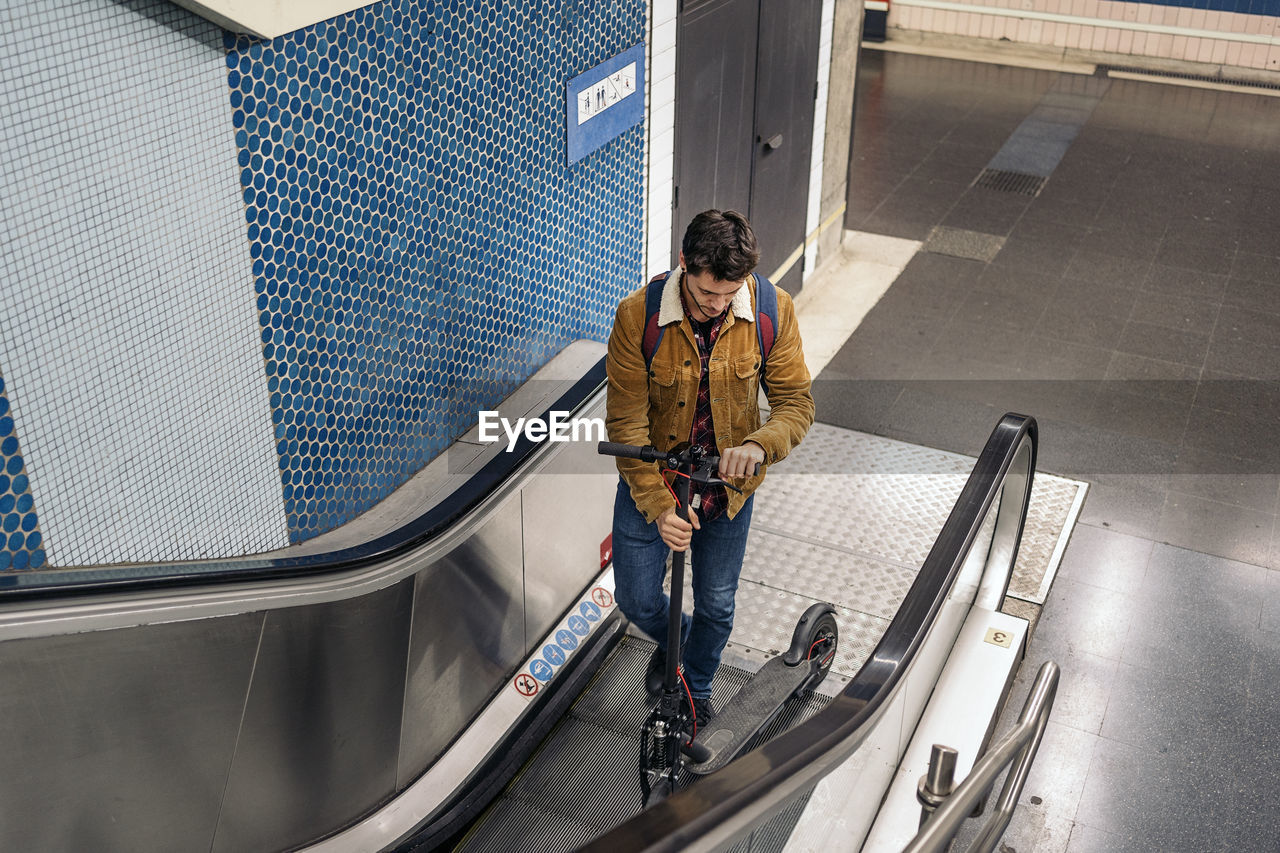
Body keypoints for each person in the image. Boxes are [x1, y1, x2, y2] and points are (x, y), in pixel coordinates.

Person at [605, 209, 814, 725]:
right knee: (635, 599)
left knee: (718, 605)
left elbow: (796, 403)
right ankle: (683, 647)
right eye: (705, 296)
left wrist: (761, 445)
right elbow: (627, 428)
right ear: (683, 266)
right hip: (656, 482)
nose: (717, 307)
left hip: (728, 492)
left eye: (729, 294)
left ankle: (693, 692)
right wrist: (658, 509)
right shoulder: (638, 316)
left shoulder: (772, 309)